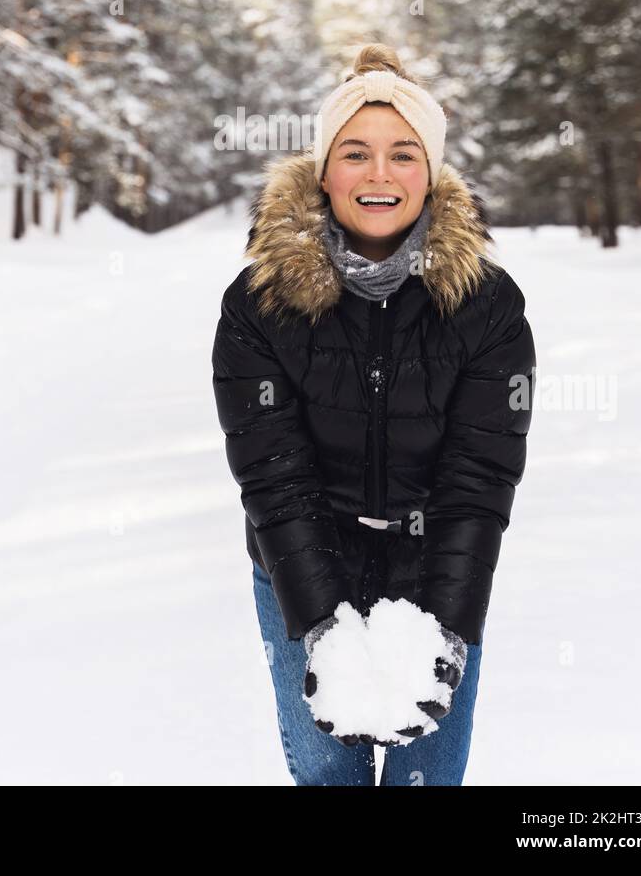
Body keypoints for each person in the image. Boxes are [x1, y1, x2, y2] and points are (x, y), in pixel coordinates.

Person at [211, 42, 536, 786]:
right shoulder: (258, 303)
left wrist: (449, 625)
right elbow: (271, 474)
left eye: (403, 154)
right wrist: (322, 624)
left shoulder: (487, 305)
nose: (380, 174)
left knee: (429, 779)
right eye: (355, 153)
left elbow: (480, 477)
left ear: (432, 172)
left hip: (438, 566)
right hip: (301, 562)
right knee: (331, 778)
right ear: (324, 171)